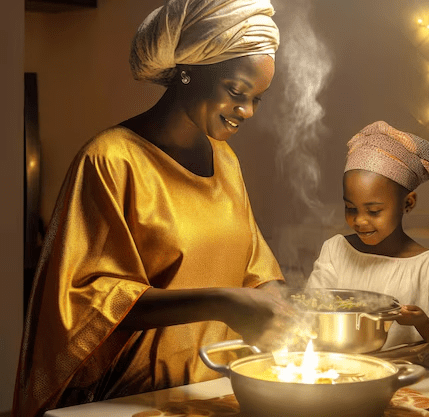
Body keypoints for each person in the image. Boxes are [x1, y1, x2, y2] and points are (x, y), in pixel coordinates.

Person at [12, 1, 294, 416]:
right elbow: (87, 299)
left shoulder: (226, 161)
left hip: (215, 391)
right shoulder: (111, 160)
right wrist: (221, 303)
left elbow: (252, 261)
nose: (246, 111)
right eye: (236, 92)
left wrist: (277, 301)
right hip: (133, 397)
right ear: (188, 71)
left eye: (257, 99)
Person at [306, 121, 429, 364]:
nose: (360, 221)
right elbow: (312, 312)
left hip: (409, 378)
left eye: (374, 211)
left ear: (408, 203)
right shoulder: (336, 250)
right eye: (351, 208)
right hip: (337, 369)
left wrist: (422, 322)